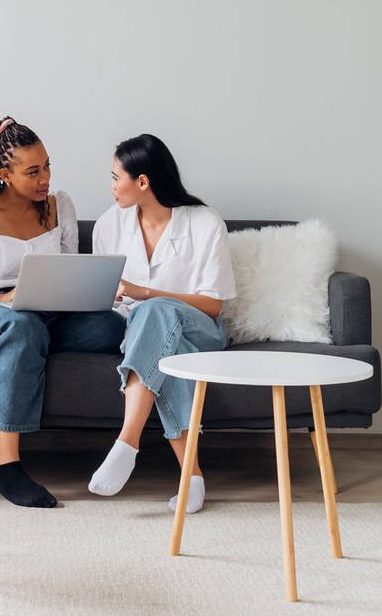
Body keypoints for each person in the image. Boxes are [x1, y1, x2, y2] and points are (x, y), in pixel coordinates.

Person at [0, 117, 126, 508]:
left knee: (110, 325)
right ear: (5, 173)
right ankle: (7, 466)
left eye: (48, 166)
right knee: (20, 325)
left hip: (51, 316)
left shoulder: (60, 205)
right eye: (33, 171)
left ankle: (31, 343)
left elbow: (70, 269)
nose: (44, 178)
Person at [87, 133, 236, 514]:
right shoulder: (109, 225)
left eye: (115, 176)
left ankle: (128, 441)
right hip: (142, 334)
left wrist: (146, 293)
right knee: (166, 352)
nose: (111, 186)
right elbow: (105, 296)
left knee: (154, 313)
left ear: (142, 181)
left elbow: (213, 305)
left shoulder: (204, 223)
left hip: (201, 329)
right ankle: (192, 478)